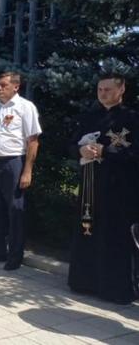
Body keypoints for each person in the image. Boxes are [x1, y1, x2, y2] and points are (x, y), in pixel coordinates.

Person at [68, 74, 138, 305]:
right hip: (90, 184)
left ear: (121, 90)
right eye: (100, 89)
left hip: (119, 188)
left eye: (108, 89)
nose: (103, 93)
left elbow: (135, 155)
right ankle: (84, 282)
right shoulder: (90, 117)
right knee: (88, 230)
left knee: (114, 236)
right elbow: (71, 144)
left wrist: (105, 152)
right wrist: (81, 152)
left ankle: (114, 288)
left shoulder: (132, 118)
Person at [0, 72, 42, 271]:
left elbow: (33, 141)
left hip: (13, 163)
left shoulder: (25, 107)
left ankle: (15, 256)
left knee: (15, 211)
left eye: (3, 85)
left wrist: (27, 170)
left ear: (16, 87)